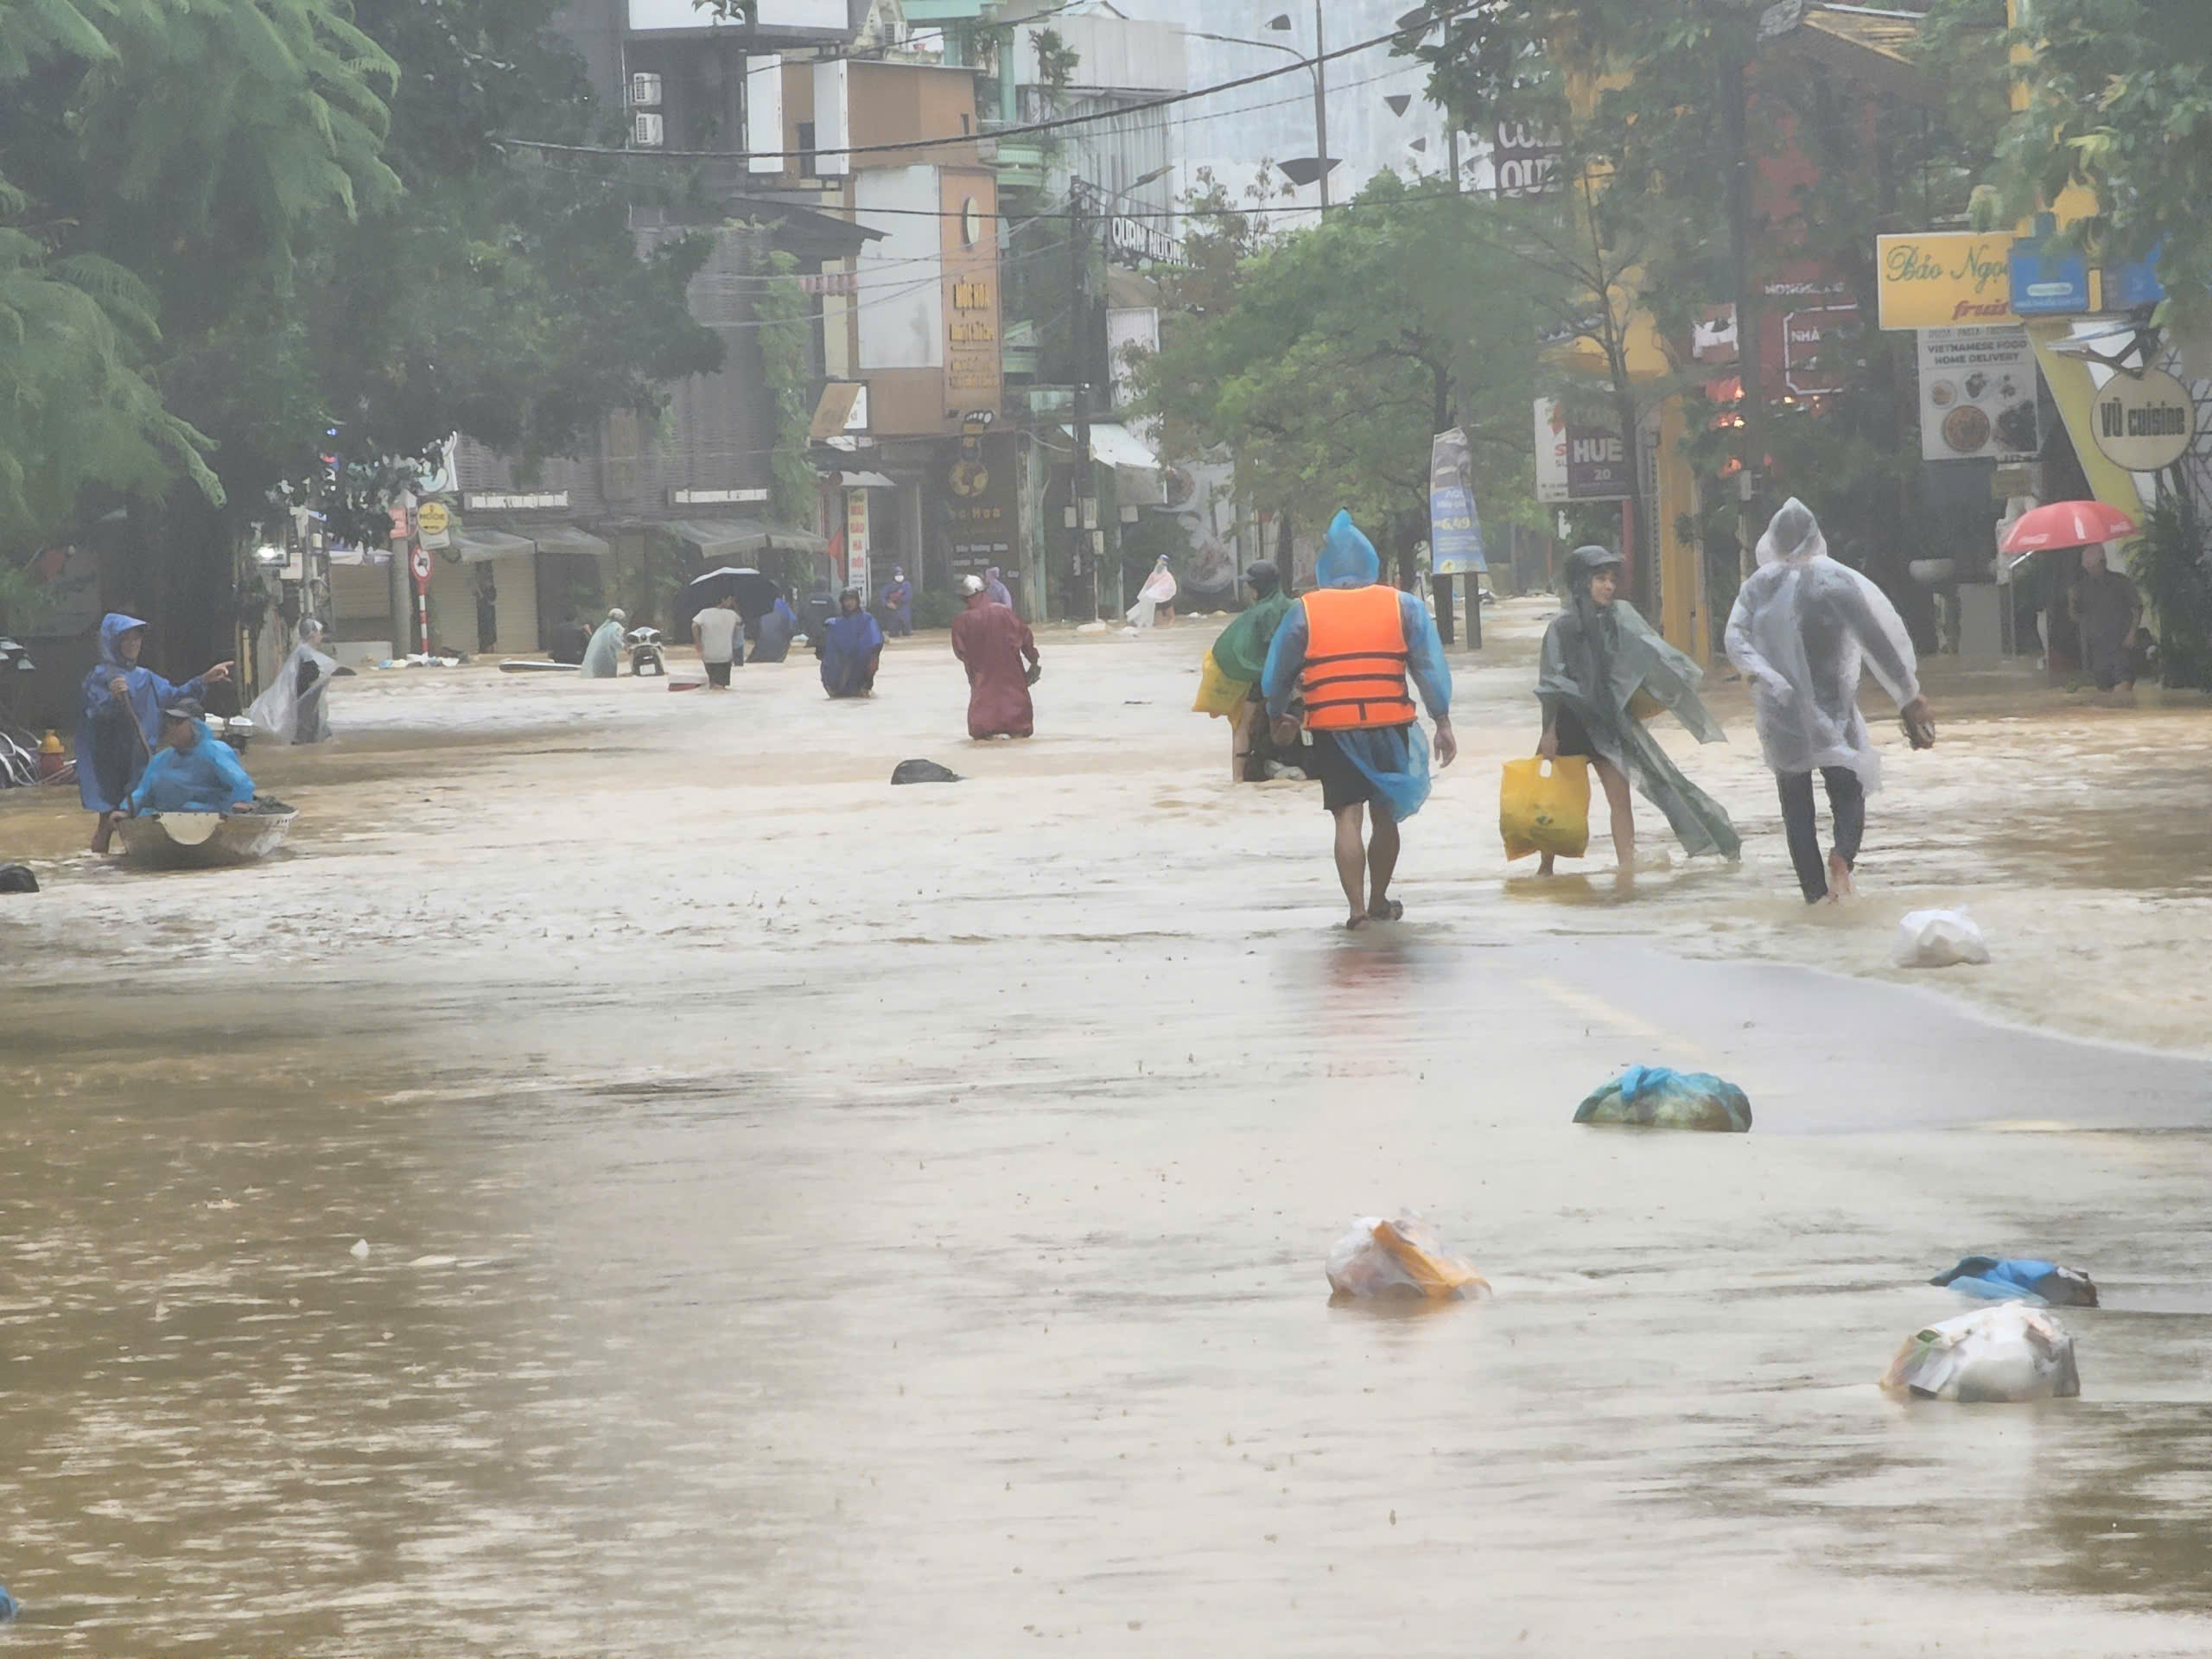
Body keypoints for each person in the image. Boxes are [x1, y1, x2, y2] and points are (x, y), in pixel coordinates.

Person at [1726, 497, 1935, 905]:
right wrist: (1908, 695)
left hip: (1783, 716)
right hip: (1834, 710)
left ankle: (1815, 898)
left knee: (1796, 809)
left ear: (1773, 541)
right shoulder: (1835, 583)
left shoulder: (1757, 588)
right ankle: (1842, 856)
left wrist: (1766, 676)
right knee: (1848, 790)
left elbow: (1735, 638)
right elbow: (1877, 642)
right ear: (1815, 537)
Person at [1262, 512, 1456, 929]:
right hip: (1389, 723)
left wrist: (1277, 713)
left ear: (1325, 566)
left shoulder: (1305, 611)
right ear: (1370, 563)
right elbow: (1429, 668)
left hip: (1333, 727)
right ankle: (1379, 900)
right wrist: (1442, 720)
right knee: (1385, 817)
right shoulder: (1403, 605)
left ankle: (1356, 912)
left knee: (1347, 817)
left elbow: (1278, 673)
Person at [1535, 545, 1740, 879]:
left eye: (1611, 579)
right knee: (1555, 802)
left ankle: (1626, 871)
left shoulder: (1618, 620)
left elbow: (1649, 655)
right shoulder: (1560, 627)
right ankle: (1545, 871)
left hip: (1608, 722)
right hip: (1568, 725)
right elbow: (1550, 683)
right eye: (1600, 579)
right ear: (1581, 582)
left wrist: (1676, 682)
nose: (1609, 586)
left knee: (1621, 801)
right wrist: (1548, 732)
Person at [76, 612, 233, 852]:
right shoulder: (100, 676)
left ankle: (142, 857)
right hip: (108, 759)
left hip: (140, 754)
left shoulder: (146, 677)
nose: (133, 644)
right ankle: (102, 864)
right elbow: (93, 711)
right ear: (114, 642)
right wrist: (113, 697)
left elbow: (175, 696)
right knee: (107, 819)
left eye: (137, 638)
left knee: (138, 811)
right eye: (126, 639)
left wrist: (204, 679)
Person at [1193, 562, 1296, 781]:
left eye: (1251, 585)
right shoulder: (1293, 606)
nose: (1249, 590)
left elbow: (1261, 646)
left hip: (1261, 679)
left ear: (1259, 587)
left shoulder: (1262, 611)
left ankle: (1238, 778)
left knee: (1241, 727)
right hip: (1293, 677)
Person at [121, 699, 256, 816]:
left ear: (196, 725)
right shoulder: (161, 759)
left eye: (178, 722)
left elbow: (241, 783)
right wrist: (126, 810)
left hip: (209, 821)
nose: (172, 728)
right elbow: (142, 791)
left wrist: (241, 802)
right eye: (170, 722)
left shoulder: (215, 752)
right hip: (164, 822)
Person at [950, 573, 1041, 738]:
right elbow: (1026, 639)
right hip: (1013, 682)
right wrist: (1033, 661)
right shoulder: (1005, 612)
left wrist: (974, 672)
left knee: (983, 731)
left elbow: (961, 653)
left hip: (982, 687)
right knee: (1019, 730)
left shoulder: (961, 621)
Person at [248, 617, 337, 745]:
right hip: (305, 702)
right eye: (320, 632)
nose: (321, 636)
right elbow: (309, 676)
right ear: (312, 634)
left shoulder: (302, 650)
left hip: (305, 702)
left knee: (312, 735)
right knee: (309, 735)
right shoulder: (306, 652)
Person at [2070, 542, 2145, 696]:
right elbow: (2076, 617)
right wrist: (2070, 600)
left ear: (2102, 563)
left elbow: (2137, 608)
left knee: (2123, 687)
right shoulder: (2082, 587)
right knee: (2104, 692)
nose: (2090, 570)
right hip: (2097, 648)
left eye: (2092, 566)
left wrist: (2132, 634)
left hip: (2121, 645)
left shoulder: (2121, 582)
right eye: (2087, 567)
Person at [817, 588, 885, 698]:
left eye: (852, 599)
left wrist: (873, 658)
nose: (849, 603)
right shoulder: (834, 624)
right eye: (846, 600)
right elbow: (826, 650)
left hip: (862, 666)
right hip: (842, 668)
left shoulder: (867, 619)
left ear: (857, 601)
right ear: (842, 602)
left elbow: (875, 640)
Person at [691, 595, 742, 689]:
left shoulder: (704, 612)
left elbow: (694, 625)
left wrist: (698, 642)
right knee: (720, 688)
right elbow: (740, 621)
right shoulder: (732, 614)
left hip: (708, 656)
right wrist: (735, 604)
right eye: (729, 599)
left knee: (713, 684)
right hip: (724, 656)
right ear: (723, 600)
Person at [1127, 555, 1177, 629]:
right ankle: (1165, 630)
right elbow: (1148, 587)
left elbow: (1148, 587)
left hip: (1163, 599)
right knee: (1164, 620)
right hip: (1158, 600)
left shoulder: (1163, 575)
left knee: (1167, 619)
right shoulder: (1160, 575)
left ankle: (1166, 630)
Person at [751, 596, 801, 664]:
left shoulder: (755, 604)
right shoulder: (782, 604)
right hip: (779, 655)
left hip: (759, 653)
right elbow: (794, 622)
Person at [582, 607, 626, 678]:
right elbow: (615, 641)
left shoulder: (602, 628)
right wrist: (625, 647)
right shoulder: (616, 626)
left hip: (592, 665)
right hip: (605, 658)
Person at [879, 566, 915, 637]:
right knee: (893, 634)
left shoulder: (906, 585)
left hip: (904, 611)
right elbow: (882, 598)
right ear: (893, 575)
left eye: (901, 574)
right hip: (893, 612)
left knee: (907, 633)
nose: (899, 576)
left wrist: (897, 599)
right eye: (897, 574)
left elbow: (908, 596)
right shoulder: (888, 586)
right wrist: (887, 604)